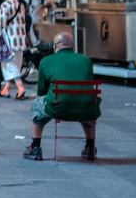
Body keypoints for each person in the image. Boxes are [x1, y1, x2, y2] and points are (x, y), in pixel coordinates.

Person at [24, 33, 101, 161]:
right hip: (88, 108)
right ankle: (90, 146)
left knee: (36, 105)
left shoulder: (46, 61)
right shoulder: (86, 60)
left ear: (55, 46)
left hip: (57, 106)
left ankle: (35, 147)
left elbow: (41, 91)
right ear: (73, 46)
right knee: (83, 101)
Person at [0, 0, 29, 99]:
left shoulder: (5, 5)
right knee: (15, 64)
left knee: (9, 65)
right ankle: (6, 89)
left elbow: (2, 23)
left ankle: (20, 88)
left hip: (9, 39)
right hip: (20, 40)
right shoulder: (20, 4)